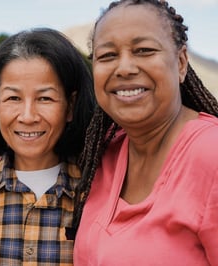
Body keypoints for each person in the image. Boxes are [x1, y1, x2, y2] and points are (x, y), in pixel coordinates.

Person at [73, 0, 218, 265]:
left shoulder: (211, 154)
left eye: (144, 50)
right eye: (107, 55)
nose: (125, 68)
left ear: (182, 62)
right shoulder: (104, 154)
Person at [0, 28, 94, 265]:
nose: (27, 116)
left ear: (70, 106)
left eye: (45, 98)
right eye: (13, 98)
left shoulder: (95, 191)